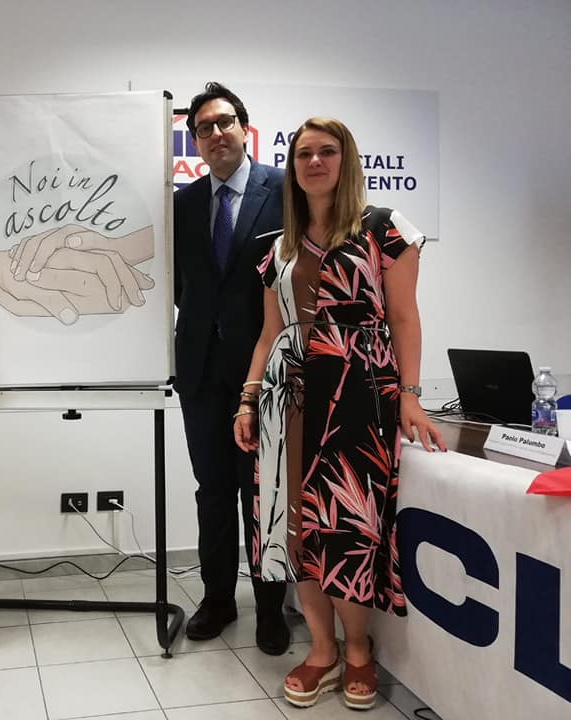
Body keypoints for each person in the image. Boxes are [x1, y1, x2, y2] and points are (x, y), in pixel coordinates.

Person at [234, 117, 446, 710]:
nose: (314, 162)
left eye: (327, 151)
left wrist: (409, 394)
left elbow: (403, 317)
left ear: (346, 160)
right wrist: (248, 398)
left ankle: (358, 650)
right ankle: (321, 650)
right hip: (287, 401)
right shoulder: (279, 246)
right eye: (304, 153)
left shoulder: (384, 229)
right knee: (296, 529)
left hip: (357, 396)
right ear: (293, 166)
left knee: (347, 527)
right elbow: (269, 333)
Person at [173, 82, 290, 651]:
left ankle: (270, 608)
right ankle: (218, 599)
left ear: (245, 129)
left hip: (263, 372)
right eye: (204, 128)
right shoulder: (183, 203)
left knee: (263, 492)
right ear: (195, 141)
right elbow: (181, 286)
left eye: (224, 123)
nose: (215, 134)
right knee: (213, 490)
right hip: (199, 373)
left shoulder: (285, 191)